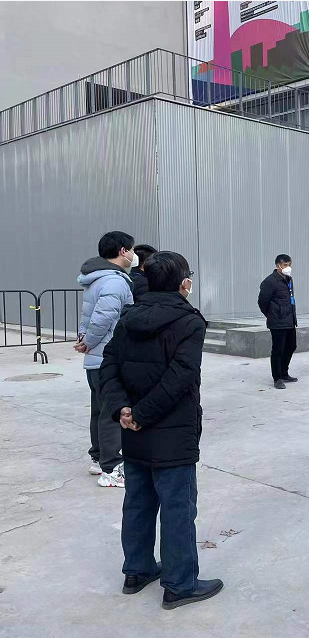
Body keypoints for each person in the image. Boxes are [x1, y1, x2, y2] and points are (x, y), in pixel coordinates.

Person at [99, 251, 223, 610]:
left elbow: (109, 366)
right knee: (177, 508)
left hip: (134, 430)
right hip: (171, 432)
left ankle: (136, 570)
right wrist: (140, 413)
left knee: (138, 502)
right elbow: (180, 377)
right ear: (184, 283)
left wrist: (124, 410)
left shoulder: (129, 317)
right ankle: (180, 584)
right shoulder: (189, 322)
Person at [75, 231, 136, 488]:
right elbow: (103, 318)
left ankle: (99, 459)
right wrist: (89, 341)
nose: (133, 255)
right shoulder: (114, 281)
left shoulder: (97, 279)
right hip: (107, 358)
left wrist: (84, 339)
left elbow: (88, 316)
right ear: (123, 251)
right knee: (111, 412)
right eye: (131, 250)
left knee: (99, 410)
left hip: (95, 359)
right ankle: (111, 468)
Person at [258, 254, 298, 389]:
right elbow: (262, 302)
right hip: (277, 321)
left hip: (289, 319)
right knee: (278, 350)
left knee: (291, 346)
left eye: (289, 264)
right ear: (278, 266)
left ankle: (284, 372)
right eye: (285, 265)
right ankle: (277, 378)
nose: (288, 267)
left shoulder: (289, 279)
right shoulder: (269, 281)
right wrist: (271, 314)